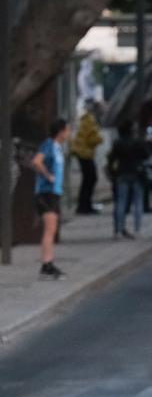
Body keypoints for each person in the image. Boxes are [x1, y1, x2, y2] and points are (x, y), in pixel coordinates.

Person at [31, 119, 70, 280]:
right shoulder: (48, 144)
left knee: (52, 229)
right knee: (49, 229)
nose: (69, 133)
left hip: (53, 193)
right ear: (60, 131)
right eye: (67, 130)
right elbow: (36, 161)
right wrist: (48, 176)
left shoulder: (58, 148)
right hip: (46, 193)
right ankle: (46, 266)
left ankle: (49, 263)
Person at [108, 121, 150, 240]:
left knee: (120, 202)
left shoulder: (118, 143)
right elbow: (146, 155)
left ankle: (119, 231)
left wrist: (112, 173)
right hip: (137, 174)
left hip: (122, 174)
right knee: (138, 202)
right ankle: (137, 230)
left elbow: (111, 159)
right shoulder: (138, 142)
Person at [71, 100, 104, 215]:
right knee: (90, 178)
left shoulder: (86, 119)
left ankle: (85, 205)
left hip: (82, 152)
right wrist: (100, 139)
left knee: (88, 179)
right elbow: (92, 138)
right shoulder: (90, 120)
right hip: (84, 153)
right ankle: (84, 206)